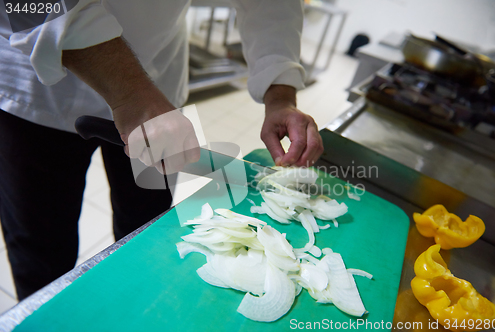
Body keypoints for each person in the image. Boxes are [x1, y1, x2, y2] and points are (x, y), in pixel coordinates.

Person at [0, 0, 324, 300]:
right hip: (37, 90)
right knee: (42, 251)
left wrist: (280, 95)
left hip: (158, 81)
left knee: (145, 230)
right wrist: (132, 94)